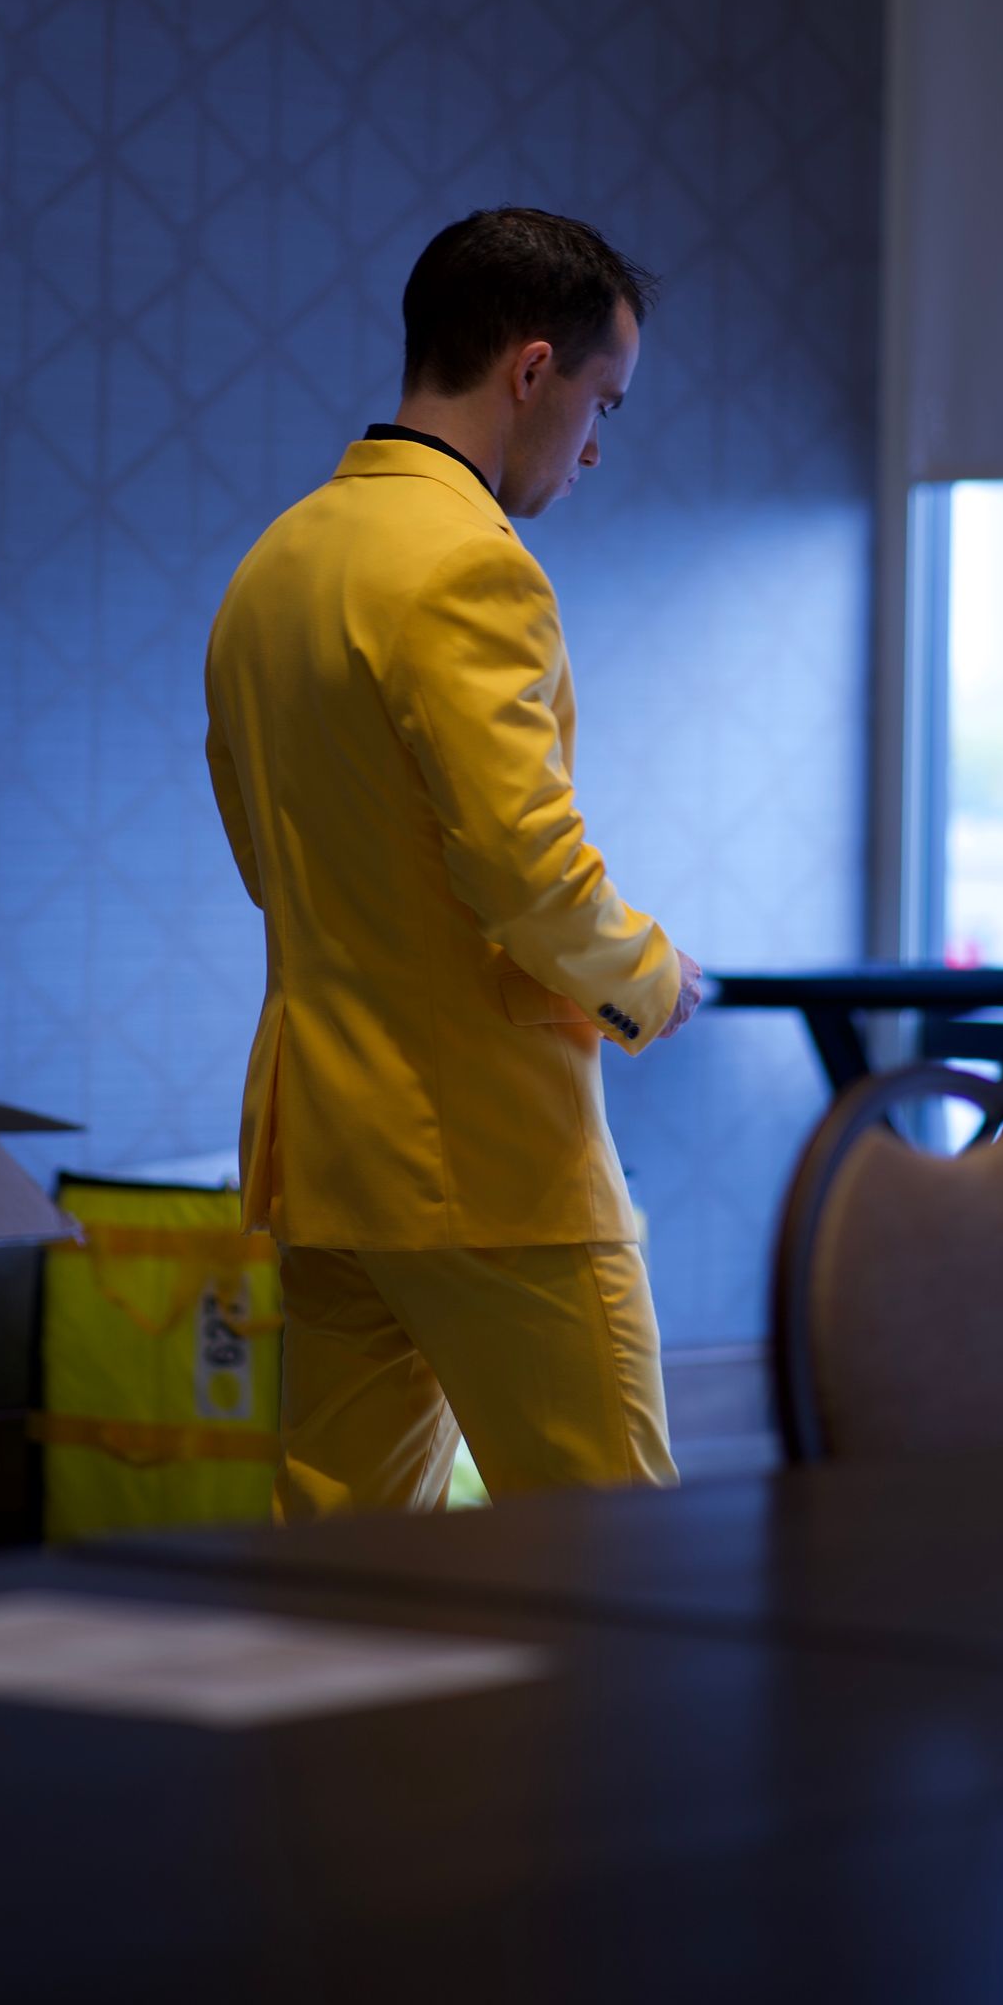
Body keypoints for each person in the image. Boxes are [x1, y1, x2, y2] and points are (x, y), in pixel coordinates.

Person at [204, 206, 704, 1517]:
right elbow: (526, 871)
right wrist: (652, 978)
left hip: (321, 1145)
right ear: (531, 370)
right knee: (620, 1546)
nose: (598, 445)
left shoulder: (277, 566)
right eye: (605, 400)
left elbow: (268, 859)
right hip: (489, 1165)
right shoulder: (474, 569)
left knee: (345, 1569)